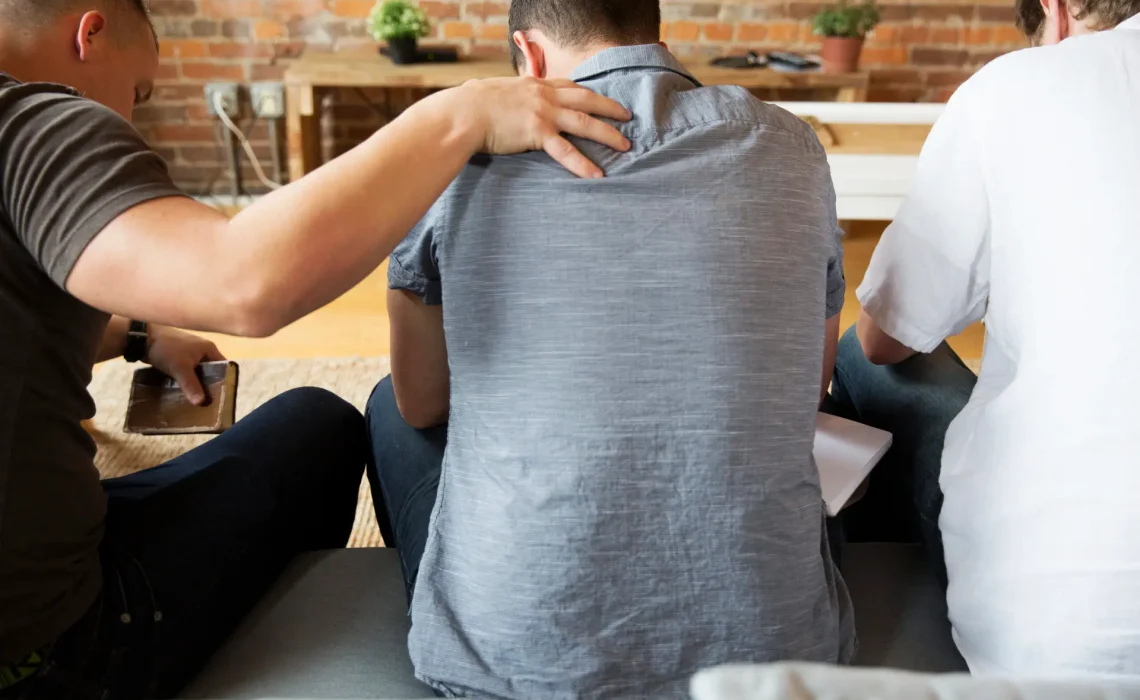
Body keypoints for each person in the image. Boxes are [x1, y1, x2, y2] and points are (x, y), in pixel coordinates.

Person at [0, 0, 633, 697]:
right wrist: (463, 113)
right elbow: (244, 283)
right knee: (327, 426)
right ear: (89, 34)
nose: (134, 113)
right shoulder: (33, 125)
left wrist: (138, 336)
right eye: (140, 92)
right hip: (46, 647)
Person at [366, 0, 853, 696]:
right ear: (653, 34)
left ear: (528, 57)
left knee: (390, 405)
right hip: (772, 657)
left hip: (518, 664)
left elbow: (422, 404)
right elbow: (807, 389)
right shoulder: (789, 147)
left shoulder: (457, 162)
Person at [829, 0, 1140, 678]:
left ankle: (852, 576)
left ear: (1056, 12)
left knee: (860, 353)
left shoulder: (1015, 88)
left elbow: (888, 337)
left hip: (1059, 625)